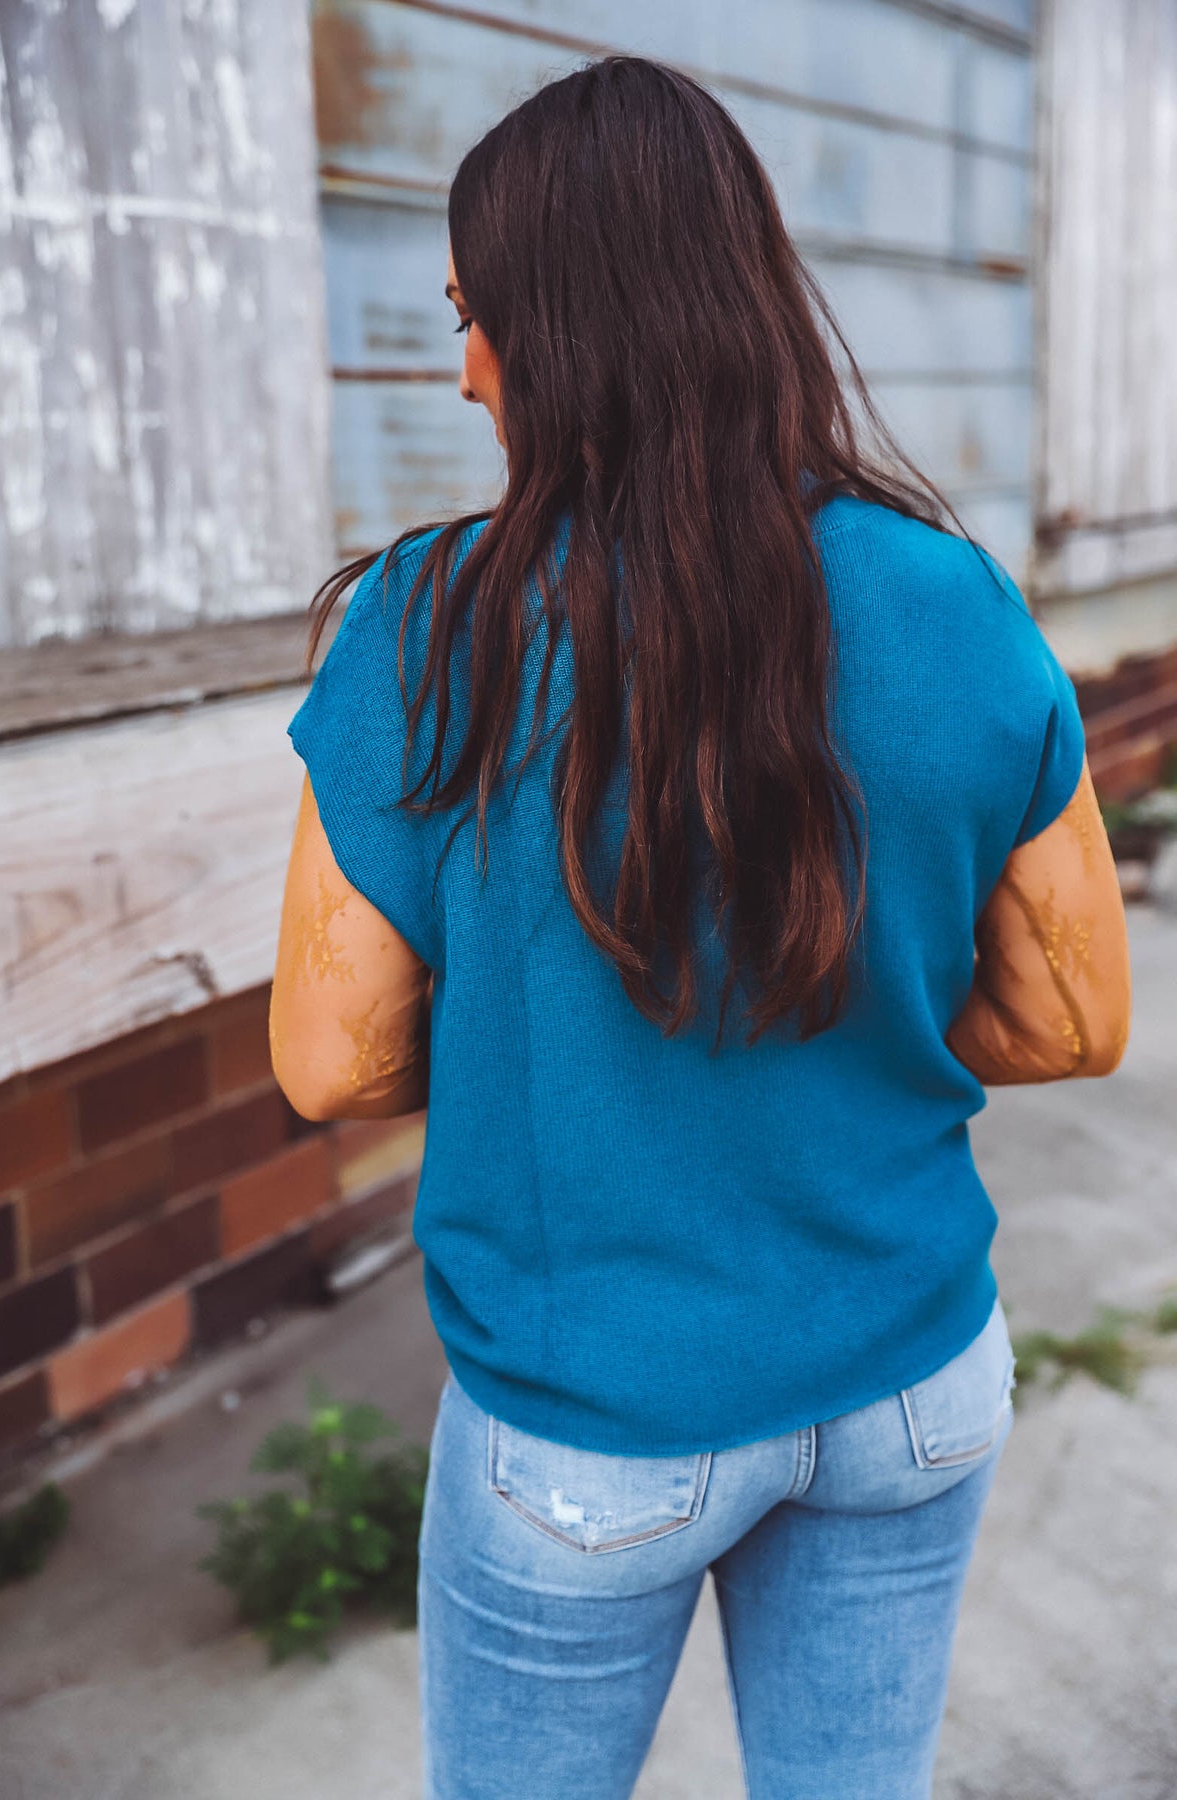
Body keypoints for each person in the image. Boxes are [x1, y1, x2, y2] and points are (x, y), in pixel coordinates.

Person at [269, 55, 1132, 1800]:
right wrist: (860, 1013)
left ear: (558, 328)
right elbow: (1072, 1021)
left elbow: (330, 1056)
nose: (462, 369)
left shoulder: (425, 633)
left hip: (592, 1433)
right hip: (910, 1388)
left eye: (477, 317)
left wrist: (558, 1037)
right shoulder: (954, 595)